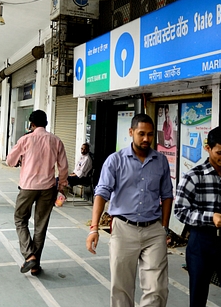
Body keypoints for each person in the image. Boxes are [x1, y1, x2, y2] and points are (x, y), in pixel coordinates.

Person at [87, 113, 173, 307]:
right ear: (131, 132)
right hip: (123, 228)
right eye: (141, 134)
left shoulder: (160, 161)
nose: (146, 139)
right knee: (122, 288)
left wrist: (164, 227)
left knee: (157, 288)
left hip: (153, 230)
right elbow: (101, 193)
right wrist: (93, 228)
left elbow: (167, 195)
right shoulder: (115, 160)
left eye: (150, 135)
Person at [174, 126, 221, 307]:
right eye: (220, 153)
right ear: (207, 148)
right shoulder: (193, 177)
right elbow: (180, 210)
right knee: (198, 298)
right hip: (201, 243)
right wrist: (210, 218)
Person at [6, 109, 68, 277]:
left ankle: (29, 255)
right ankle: (35, 265)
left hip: (27, 187)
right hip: (48, 188)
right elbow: (63, 166)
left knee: (20, 219)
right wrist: (61, 185)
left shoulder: (25, 139)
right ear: (46, 123)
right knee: (40, 226)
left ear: (31, 124)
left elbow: (10, 161)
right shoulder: (56, 141)